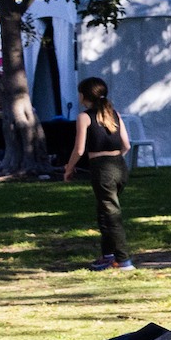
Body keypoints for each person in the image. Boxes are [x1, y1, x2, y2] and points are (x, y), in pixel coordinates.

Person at [60, 76, 133, 271]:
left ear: (83, 96)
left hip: (101, 168)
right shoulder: (114, 114)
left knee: (111, 213)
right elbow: (126, 144)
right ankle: (108, 255)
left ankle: (123, 259)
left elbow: (80, 149)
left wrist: (69, 168)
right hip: (119, 165)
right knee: (104, 211)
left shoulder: (84, 117)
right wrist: (116, 159)